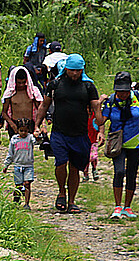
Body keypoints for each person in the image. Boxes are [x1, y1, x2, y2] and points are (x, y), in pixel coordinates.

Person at [34, 53, 100, 214]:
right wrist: (37, 125)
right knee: (60, 162)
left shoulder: (88, 86)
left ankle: (72, 201)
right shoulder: (55, 85)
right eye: (72, 70)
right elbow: (44, 105)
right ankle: (61, 192)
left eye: (78, 71)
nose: (75, 74)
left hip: (80, 133)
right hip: (59, 132)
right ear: (66, 69)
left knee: (75, 167)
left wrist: (101, 128)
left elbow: (96, 109)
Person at [96, 71, 139, 219]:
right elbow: (101, 121)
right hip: (118, 144)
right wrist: (99, 104)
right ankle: (117, 206)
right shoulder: (111, 101)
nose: (123, 94)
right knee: (119, 172)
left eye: (125, 91)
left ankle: (128, 207)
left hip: (137, 144)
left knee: (132, 174)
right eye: (120, 91)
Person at [1, 66, 43, 143]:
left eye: (23, 82)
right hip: (15, 124)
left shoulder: (32, 92)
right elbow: (4, 113)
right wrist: (12, 125)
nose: (21, 85)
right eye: (19, 83)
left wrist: (41, 125)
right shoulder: (10, 94)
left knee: (28, 149)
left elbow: (40, 109)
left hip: (29, 124)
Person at [3, 126, 35, 209]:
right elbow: (11, 153)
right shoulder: (14, 139)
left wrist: (38, 136)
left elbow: (36, 141)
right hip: (18, 165)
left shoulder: (30, 138)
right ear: (18, 130)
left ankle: (27, 203)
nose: (23, 133)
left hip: (28, 165)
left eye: (25, 131)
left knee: (27, 184)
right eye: (21, 131)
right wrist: (6, 165)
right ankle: (16, 200)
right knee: (18, 185)